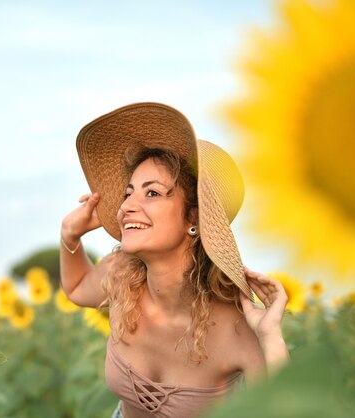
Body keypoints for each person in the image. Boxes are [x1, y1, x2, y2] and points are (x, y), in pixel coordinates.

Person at [60, 103, 289, 418]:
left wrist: (270, 336)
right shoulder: (122, 278)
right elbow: (75, 288)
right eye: (128, 194)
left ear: (193, 219)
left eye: (152, 193)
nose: (127, 206)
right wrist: (69, 237)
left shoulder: (235, 326)